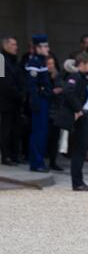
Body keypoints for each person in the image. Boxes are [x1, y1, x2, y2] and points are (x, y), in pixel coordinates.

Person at [62, 52, 88, 191]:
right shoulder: (75, 76)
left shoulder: (83, 77)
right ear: (81, 64)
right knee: (78, 151)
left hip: (85, 115)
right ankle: (77, 182)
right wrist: (79, 109)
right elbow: (68, 92)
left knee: (81, 150)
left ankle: (79, 181)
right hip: (80, 116)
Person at [25, 34, 52, 172]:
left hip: (44, 101)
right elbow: (33, 86)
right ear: (38, 48)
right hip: (39, 102)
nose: (47, 48)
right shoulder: (34, 62)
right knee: (38, 133)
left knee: (42, 132)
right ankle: (36, 163)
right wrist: (36, 101)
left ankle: (39, 161)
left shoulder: (41, 61)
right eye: (45, 46)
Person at [0, 36, 25, 165]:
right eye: (13, 44)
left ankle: (15, 155)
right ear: (5, 46)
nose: (16, 47)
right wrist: (17, 94)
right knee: (6, 130)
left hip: (16, 101)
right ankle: (6, 156)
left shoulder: (15, 61)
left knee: (16, 130)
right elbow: (3, 83)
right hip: (6, 102)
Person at [46, 55, 64, 172]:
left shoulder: (58, 76)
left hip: (56, 112)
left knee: (55, 138)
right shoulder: (43, 76)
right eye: (48, 64)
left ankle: (53, 161)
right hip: (45, 110)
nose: (50, 66)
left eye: (52, 63)